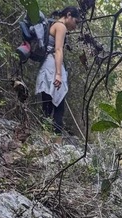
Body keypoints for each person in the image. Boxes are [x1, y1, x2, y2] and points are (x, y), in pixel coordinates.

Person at [35, 7, 81, 139]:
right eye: (76, 22)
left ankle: (44, 138)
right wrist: (59, 74)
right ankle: (57, 143)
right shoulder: (61, 27)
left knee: (47, 106)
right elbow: (58, 50)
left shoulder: (53, 24)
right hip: (53, 68)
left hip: (46, 67)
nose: (76, 26)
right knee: (59, 108)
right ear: (69, 15)